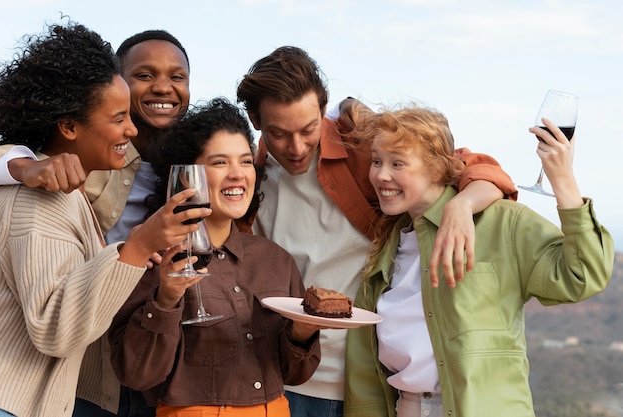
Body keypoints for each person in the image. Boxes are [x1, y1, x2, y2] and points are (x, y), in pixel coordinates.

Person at [235, 46, 518, 417]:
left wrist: (462, 205)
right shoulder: (247, 179)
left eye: (308, 130)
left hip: (366, 382)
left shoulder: (363, 149)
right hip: (283, 378)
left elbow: (469, 165)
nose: (297, 147)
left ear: (323, 111)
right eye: (279, 134)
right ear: (256, 122)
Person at [343, 103, 614, 417]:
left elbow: (584, 275)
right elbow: (365, 368)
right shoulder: (387, 247)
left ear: (437, 168)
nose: (381, 175)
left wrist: (563, 179)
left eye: (397, 163)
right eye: (376, 161)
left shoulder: (500, 222)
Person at [0, 22, 206, 417]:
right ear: (70, 125)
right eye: (144, 75)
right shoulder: (48, 187)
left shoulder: (187, 155)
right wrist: (142, 244)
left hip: (107, 367)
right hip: (24, 392)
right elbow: (55, 328)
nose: (162, 87)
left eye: (177, 76)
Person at [108, 97, 322, 417]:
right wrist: (165, 300)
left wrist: (302, 332)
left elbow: (295, 374)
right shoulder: (153, 258)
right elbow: (136, 375)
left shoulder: (276, 261)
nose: (237, 174)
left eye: (246, 161)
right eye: (220, 162)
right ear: (186, 177)